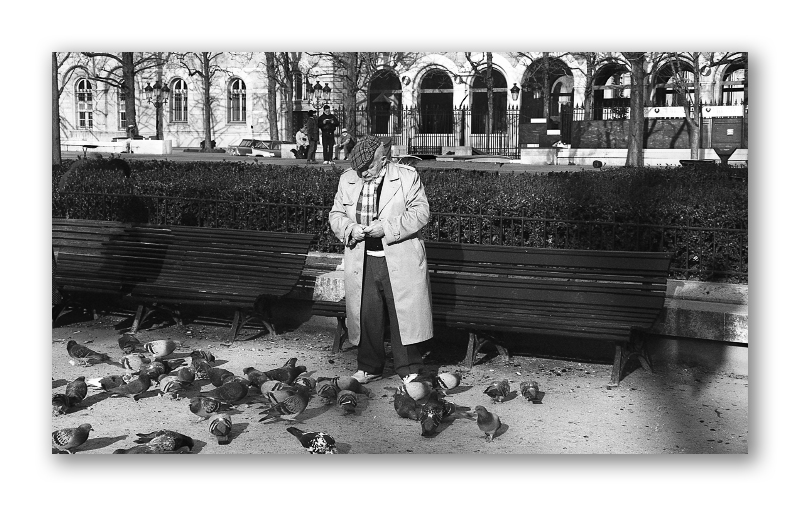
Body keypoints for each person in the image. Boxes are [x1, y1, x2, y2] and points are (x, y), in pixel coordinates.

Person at [328, 136, 433, 385]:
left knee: (402, 316)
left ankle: (409, 368)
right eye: (359, 168)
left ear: (383, 160)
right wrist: (349, 228)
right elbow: (336, 214)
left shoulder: (407, 177)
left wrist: (386, 228)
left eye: (369, 166)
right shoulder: (348, 178)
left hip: (400, 258)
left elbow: (421, 213)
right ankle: (369, 366)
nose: (363, 172)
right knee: (367, 314)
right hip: (362, 259)